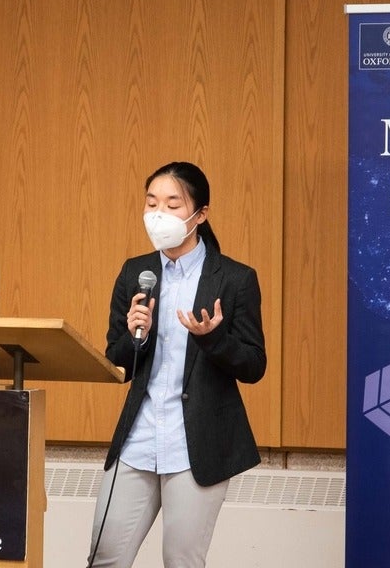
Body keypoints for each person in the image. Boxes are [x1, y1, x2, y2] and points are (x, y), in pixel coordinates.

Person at [88, 161, 267, 567]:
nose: (159, 214)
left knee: (181, 560)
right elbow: (118, 362)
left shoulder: (234, 279)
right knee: (105, 558)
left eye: (173, 203)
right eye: (152, 203)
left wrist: (213, 338)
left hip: (198, 444)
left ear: (200, 215)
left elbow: (254, 365)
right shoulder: (137, 272)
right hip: (140, 439)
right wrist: (139, 334)